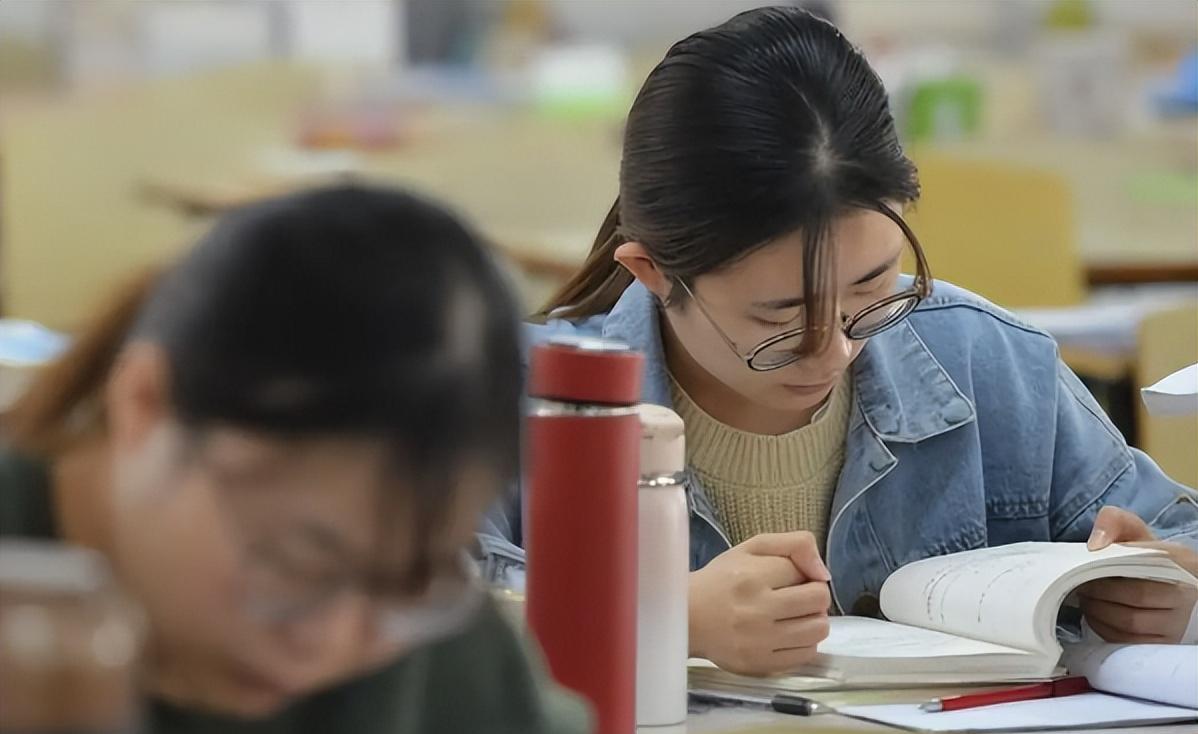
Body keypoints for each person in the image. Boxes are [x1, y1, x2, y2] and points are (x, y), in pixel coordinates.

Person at [479, 6, 1198, 676]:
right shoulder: (513, 395)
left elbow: (1175, 534)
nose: (835, 352)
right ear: (652, 273)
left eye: (871, 287)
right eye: (780, 320)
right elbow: (418, 605)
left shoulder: (985, 361)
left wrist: (1170, 586)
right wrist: (663, 617)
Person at [1, 185, 590, 733]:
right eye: (295, 562)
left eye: (404, 585)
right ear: (144, 405)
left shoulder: (435, 655)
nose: (326, 640)